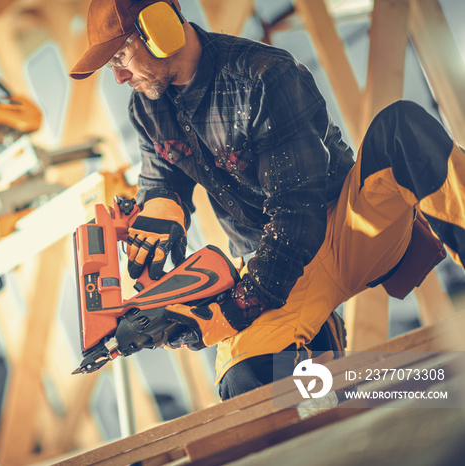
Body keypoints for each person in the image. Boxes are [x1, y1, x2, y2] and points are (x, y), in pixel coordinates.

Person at [69, 0, 465, 400]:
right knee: (247, 383)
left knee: (402, 130)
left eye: (120, 56)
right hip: (271, 263)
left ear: (160, 27)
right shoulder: (148, 105)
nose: (118, 77)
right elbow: (161, 177)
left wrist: (240, 305)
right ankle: (337, 398)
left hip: (346, 227)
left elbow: (298, 210)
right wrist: (161, 206)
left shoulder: (262, 76)